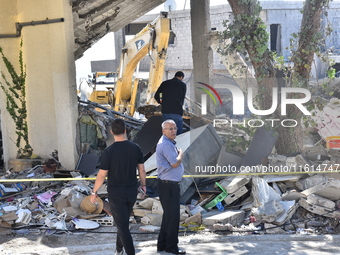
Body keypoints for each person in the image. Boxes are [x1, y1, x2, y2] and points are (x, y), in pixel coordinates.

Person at [90, 118, 146, 255]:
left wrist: (94, 191)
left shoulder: (109, 151)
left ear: (111, 132)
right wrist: (143, 185)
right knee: (122, 224)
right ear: (125, 131)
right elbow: (142, 170)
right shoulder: (136, 148)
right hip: (131, 192)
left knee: (123, 227)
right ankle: (119, 249)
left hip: (116, 194)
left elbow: (102, 175)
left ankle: (129, 252)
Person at [156, 119, 186, 254]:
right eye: (170, 129)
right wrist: (181, 154)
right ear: (163, 131)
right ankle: (172, 247)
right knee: (173, 218)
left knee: (168, 216)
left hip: (168, 185)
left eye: (175, 128)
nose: (174, 131)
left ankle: (162, 244)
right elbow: (174, 163)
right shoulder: (166, 145)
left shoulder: (168, 143)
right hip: (169, 186)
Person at [154, 71, 186, 135]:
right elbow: (182, 98)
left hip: (166, 111)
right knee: (178, 135)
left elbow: (156, 95)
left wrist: (162, 102)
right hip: (177, 112)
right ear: (181, 77)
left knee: (167, 133)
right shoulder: (182, 85)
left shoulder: (165, 83)